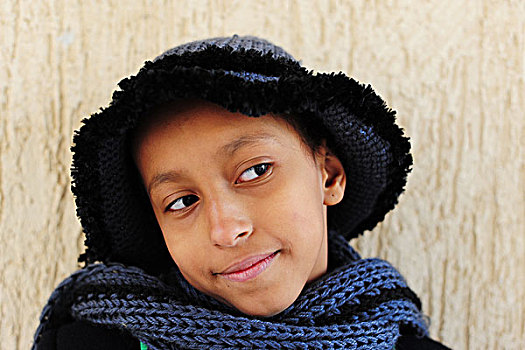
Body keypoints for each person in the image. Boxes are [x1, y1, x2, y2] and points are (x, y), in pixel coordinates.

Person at [33, 35, 450, 349]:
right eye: (181, 201)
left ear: (329, 175)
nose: (225, 229)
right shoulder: (95, 340)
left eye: (255, 171)